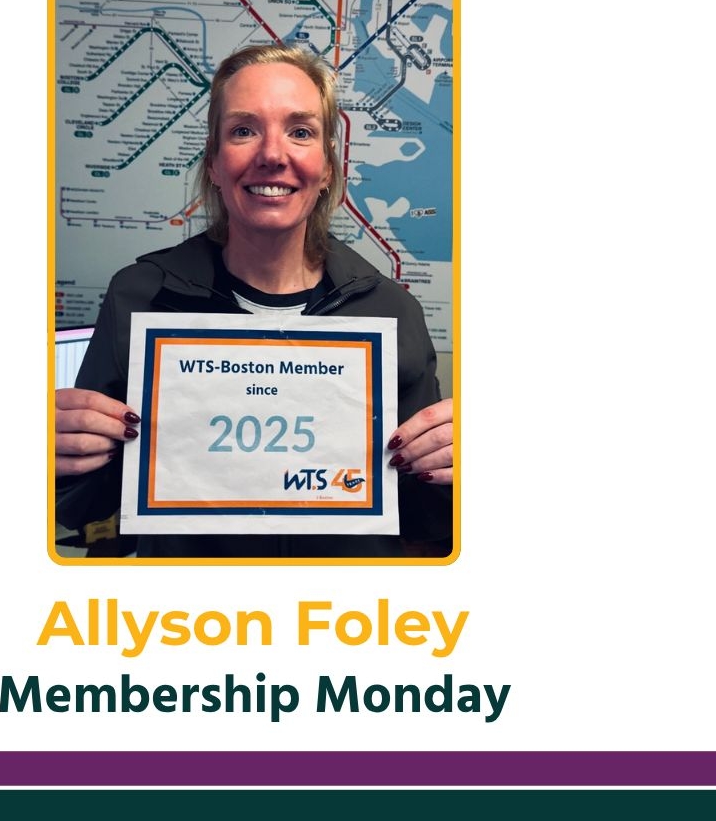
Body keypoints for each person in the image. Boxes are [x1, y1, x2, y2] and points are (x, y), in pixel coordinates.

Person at [55, 43, 454, 558]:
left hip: (347, 618)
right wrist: (58, 455)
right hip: (194, 620)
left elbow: (428, 522)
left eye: (301, 131)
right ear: (215, 164)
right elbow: (86, 507)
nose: (272, 154)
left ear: (327, 167)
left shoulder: (391, 311)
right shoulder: (140, 295)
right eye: (243, 130)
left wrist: (453, 473)